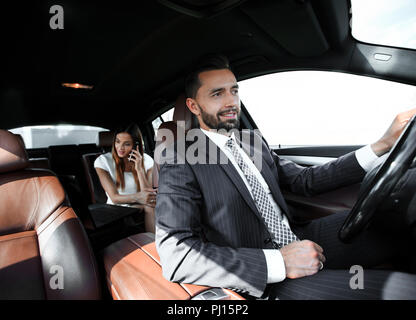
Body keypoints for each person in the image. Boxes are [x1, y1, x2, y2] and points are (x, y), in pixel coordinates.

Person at [154, 54, 416, 299]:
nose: (231, 101)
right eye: (217, 93)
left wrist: (381, 145)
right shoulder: (181, 158)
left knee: (392, 222)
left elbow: (306, 181)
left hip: (302, 237)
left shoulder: (252, 142)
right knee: (404, 291)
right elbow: (177, 254)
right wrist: (279, 262)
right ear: (194, 106)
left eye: (234, 90)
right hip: (265, 273)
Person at [95, 123, 156, 233]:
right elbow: (114, 198)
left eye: (126, 144)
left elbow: (148, 196)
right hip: (118, 207)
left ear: (135, 145)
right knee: (149, 206)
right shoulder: (103, 161)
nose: (120, 148)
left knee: (151, 205)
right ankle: (152, 244)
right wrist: (139, 198)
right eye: (117, 142)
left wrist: (140, 169)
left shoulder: (147, 160)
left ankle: (154, 243)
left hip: (141, 203)